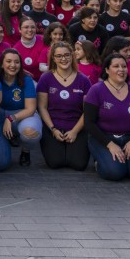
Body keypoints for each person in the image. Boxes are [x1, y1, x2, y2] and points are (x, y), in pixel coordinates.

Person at [83, 54, 130, 182]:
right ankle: (100, 162)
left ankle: (125, 162)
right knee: (115, 173)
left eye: (124, 66)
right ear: (107, 70)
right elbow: (89, 123)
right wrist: (110, 145)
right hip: (104, 138)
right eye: (116, 66)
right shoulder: (96, 90)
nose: (121, 69)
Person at [36, 42, 91, 171]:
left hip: (77, 127)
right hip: (53, 126)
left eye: (67, 55)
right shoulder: (46, 78)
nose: (63, 59)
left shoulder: (83, 80)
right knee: (55, 162)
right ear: (53, 58)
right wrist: (53, 129)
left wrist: (75, 131)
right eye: (59, 56)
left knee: (78, 164)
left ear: (72, 56)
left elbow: (87, 110)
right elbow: (42, 107)